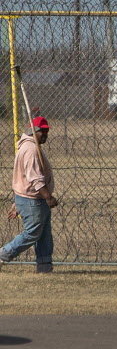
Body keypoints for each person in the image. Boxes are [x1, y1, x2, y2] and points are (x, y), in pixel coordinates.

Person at [0, 116, 56, 273]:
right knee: (32, 233)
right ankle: (4, 254)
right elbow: (34, 178)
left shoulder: (31, 146)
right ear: (33, 131)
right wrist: (48, 196)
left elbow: (22, 178)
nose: (45, 135)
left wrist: (17, 202)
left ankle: (44, 266)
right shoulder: (30, 150)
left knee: (44, 234)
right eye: (42, 132)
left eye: (46, 132)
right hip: (33, 200)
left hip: (32, 199)